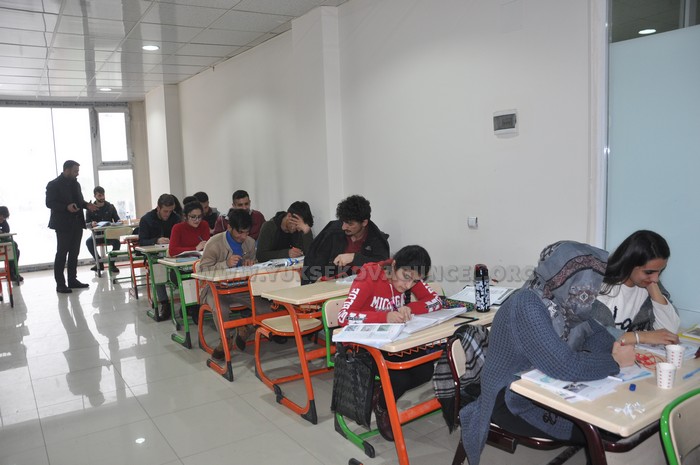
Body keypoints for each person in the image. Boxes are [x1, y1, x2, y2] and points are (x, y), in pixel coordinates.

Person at [459, 241, 636, 465]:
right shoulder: (526, 304)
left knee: (610, 415)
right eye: (587, 280)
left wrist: (605, 354)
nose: (591, 289)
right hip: (509, 398)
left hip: (541, 386)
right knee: (605, 429)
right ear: (566, 275)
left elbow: (598, 335)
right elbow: (564, 365)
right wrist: (613, 361)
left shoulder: (566, 301)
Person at [338, 245, 442, 441]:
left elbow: (435, 301)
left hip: (393, 341)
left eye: (415, 281)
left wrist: (410, 308)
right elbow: (344, 316)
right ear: (394, 266)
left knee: (425, 370)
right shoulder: (369, 276)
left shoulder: (409, 276)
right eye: (406, 277)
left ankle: (380, 397)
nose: (408, 285)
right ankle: (383, 407)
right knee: (399, 377)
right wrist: (383, 316)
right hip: (364, 345)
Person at [594, 230, 680, 346]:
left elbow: (668, 333)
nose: (656, 278)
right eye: (649, 272)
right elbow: (592, 336)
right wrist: (641, 337)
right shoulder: (597, 287)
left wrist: (653, 289)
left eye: (660, 271)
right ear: (629, 264)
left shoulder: (649, 284)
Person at [199, 209, 256, 360]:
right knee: (220, 308)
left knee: (265, 305)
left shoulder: (250, 243)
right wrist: (225, 264)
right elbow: (203, 270)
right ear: (230, 227)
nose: (244, 237)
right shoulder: (214, 243)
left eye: (247, 232)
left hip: (241, 287)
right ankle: (225, 340)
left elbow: (255, 264)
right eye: (240, 232)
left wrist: (251, 264)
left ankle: (247, 329)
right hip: (215, 288)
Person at [302, 195, 390, 284]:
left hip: (362, 285)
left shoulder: (377, 238)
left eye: (350, 224)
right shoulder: (332, 232)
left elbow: (383, 266)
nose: (344, 227)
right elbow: (312, 258)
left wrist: (354, 258)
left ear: (364, 222)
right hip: (329, 284)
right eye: (343, 221)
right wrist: (315, 278)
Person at [46, 160, 98, 293]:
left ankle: (72, 280)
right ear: (67, 170)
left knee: (74, 253)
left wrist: (87, 205)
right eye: (75, 171)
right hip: (63, 224)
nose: (77, 174)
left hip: (77, 222)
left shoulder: (76, 184)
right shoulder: (54, 184)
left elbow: (79, 201)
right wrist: (66, 207)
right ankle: (60, 284)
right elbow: (49, 203)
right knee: (62, 253)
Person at [138, 194, 181, 320]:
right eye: (165, 211)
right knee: (157, 269)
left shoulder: (176, 218)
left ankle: (189, 304)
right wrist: (156, 240)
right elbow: (142, 241)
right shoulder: (146, 219)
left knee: (183, 269)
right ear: (158, 208)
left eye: (170, 211)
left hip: (172, 254)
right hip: (154, 256)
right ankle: (164, 303)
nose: (168, 214)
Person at [85, 186, 121, 274]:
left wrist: (118, 222)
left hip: (109, 235)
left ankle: (112, 264)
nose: (102, 197)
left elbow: (117, 220)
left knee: (117, 243)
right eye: (99, 195)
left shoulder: (110, 207)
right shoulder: (90, 209)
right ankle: (99, 262)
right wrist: (91, 224)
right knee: (89, 242)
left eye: (103, 195)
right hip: (97, 235)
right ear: (95, 196)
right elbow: (86, 224)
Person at [0, 206, 22, 282]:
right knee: (14, 248)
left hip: (3, 244)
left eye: (4, 218)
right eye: (1, 217)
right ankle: (12, 273)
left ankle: (13, 272)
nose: (2, 219)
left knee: (16, 250)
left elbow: (7, 232)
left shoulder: (4, 222)